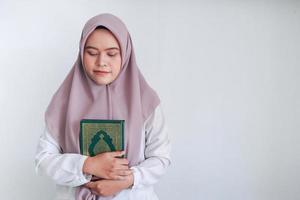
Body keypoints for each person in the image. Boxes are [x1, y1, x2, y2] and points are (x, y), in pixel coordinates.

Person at [34, 13, 171, 200]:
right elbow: (43, 160)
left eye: (112, 53)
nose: (101, 62)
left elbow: (161, 158)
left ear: (126, 53)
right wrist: (87, 165)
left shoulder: (145, 101)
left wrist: (127, 180)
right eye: (91, 53)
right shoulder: (64, 101)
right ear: (81, 53)